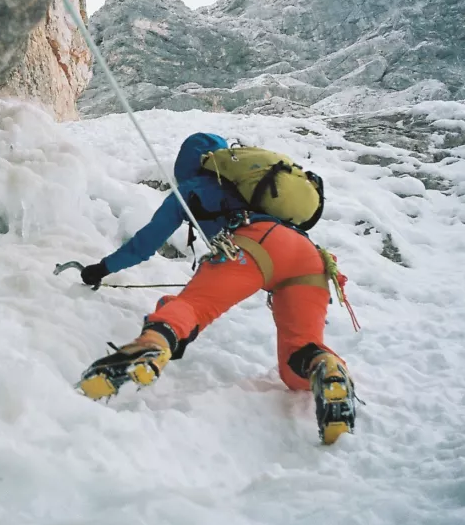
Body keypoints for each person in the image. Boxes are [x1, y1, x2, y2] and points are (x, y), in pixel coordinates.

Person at [77, 133, 356, 444]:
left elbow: (144, 245)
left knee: (190, 308)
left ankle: (151, 345)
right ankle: (325, 365)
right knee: (297, 362)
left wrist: (101, 269)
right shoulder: (255, 189)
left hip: (255, 245)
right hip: (310, 258)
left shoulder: (190, 190)